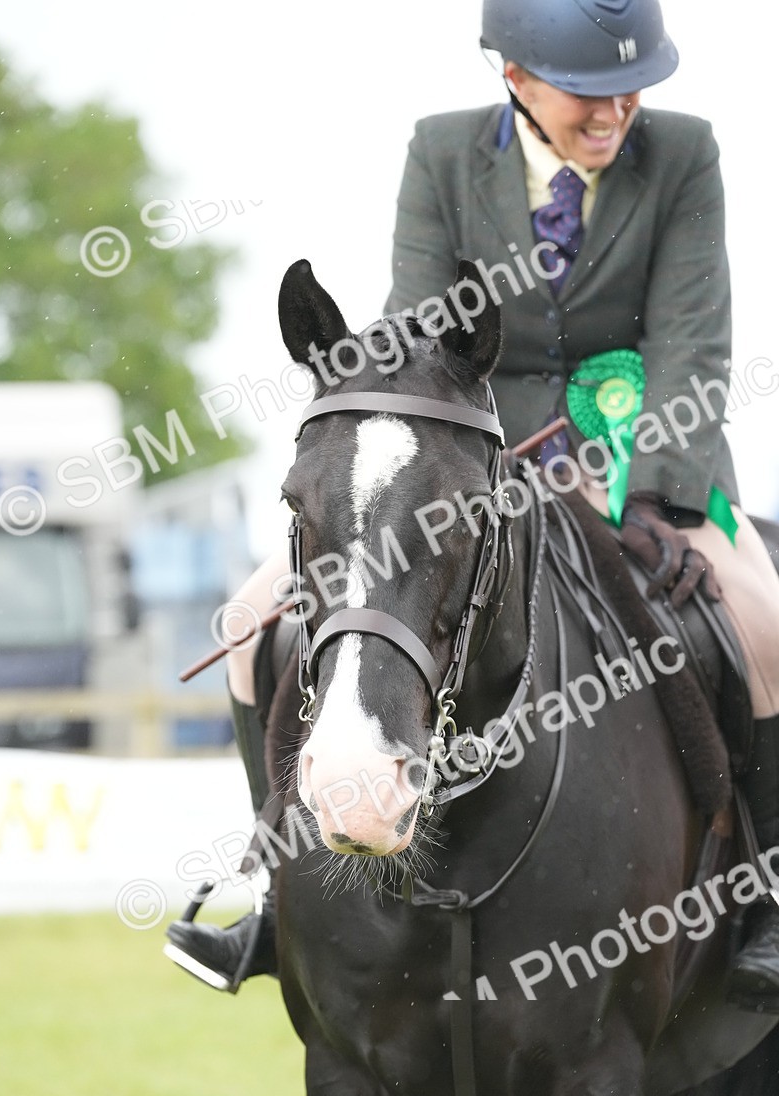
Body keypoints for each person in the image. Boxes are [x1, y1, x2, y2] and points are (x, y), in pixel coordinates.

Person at [165, 0, 779, 1010]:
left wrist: (656, 496)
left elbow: (690, 337)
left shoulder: (682, 153)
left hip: (636, 450)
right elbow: (420, 319)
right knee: (244, 624)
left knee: (763, 627)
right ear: (515, 79)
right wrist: (446, 462)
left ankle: (762, 902)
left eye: (630, 87)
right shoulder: (441, 153)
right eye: (589, 92)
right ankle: (275, 888)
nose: (614, 109)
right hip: (468, 449)